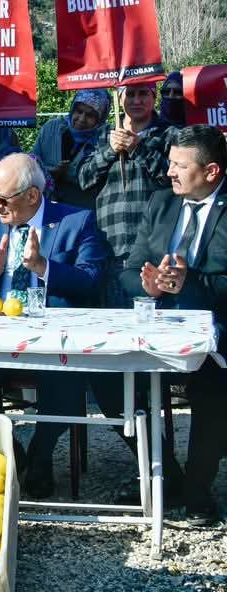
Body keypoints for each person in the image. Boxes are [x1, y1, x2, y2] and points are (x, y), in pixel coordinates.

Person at [0, 153, 108, 498]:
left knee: (64, 375)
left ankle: (41, 453)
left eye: (2, 198)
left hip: (51, 335)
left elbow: (91, 280)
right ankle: (12, 450)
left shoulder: (75, 221)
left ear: (32, 196)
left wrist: (43, 266)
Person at [121, 125, 226, 525]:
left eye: (180, 165)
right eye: (169, 162)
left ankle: (198, 491)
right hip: (157, 327)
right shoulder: (161, 204)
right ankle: (168, 474)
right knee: (111, 383)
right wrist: (146, 285)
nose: (169, 172)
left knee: (214, 388)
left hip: (216, 332)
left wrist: (191, 281)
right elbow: (130, 271)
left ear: (212, 171)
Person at [76, 81, 176, 306]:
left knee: (153, 319)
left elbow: (173, 180)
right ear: (120, 98)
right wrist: (110, 151)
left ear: (154, 96)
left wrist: (137, 148)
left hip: (153, 244)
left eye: (143, 94)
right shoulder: (103, 134)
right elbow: (83, 178)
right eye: (130, 94)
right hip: (110, 243)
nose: (137, 100)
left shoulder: (171, 134)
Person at [31, 89, 110, 209]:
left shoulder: (104, 138)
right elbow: (32, 165)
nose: (82, 119)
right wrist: (50, 172)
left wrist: (67, 173)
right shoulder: (51, 128)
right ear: (72, 109)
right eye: (79, 111)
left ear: (100, 118)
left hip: (82, 211)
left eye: (90, 115)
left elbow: (97, 176)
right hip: (46, 207)